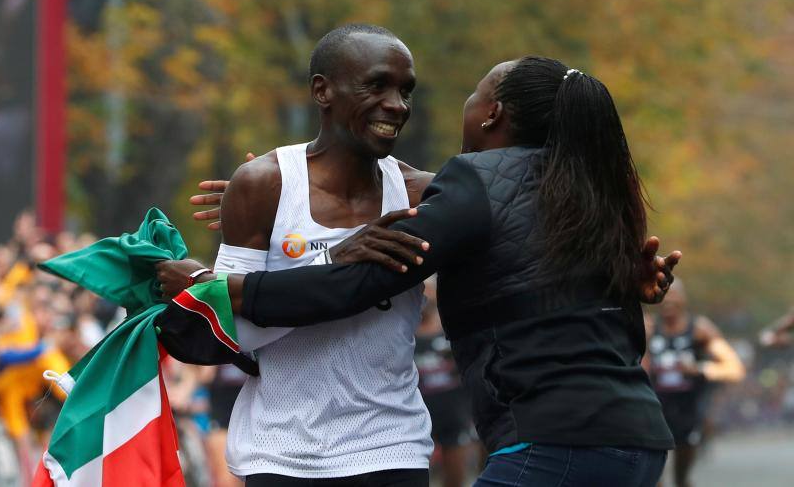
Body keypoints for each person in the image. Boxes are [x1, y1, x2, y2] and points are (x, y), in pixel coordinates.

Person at [159, 56, 681, 486]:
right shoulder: (581, 189)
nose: (400, 105)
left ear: (491, 112)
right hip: (639, 441)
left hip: (551, 442)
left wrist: (219, 290)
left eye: (472, 92)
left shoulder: (474, 182)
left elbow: (360, 281)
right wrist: (279, 196)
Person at [198, 24, 436, 486]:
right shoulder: (263, 184)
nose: (397, 105)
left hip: (393, 446)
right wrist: (333, 266)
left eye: (406, 91)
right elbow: (232, 337)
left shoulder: (419, 194)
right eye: (377, 85)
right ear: (322, 90)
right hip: (281, 454)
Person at [644, 280, 745, 487]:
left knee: (682, 477)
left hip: (688, 410)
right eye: (665, 294)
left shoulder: (700, 329)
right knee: (653, 477)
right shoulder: (648, 328)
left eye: (674, 294)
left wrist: (698, 369)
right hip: (655, 408)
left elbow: (734, 368)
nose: (669, 300)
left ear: (684, 299)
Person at [414, 276, 478, 487]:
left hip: (454, 416)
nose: (425, 296)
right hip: (417, 419)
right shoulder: (405, 334)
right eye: (421, 291)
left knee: (456, 477)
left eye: (429, 290)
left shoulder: (451, 328)